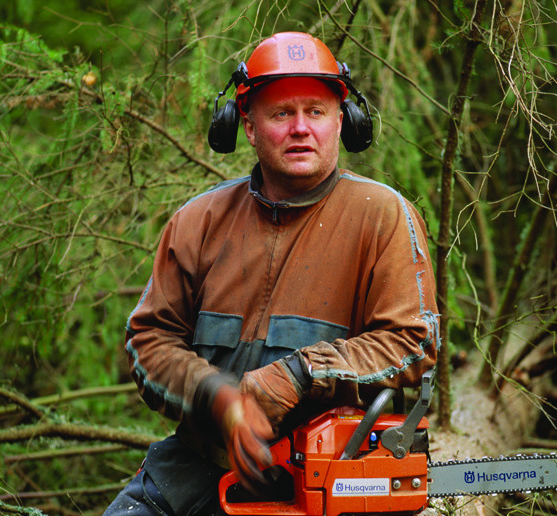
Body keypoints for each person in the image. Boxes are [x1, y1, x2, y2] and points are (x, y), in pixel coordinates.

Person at [102, 32, 440, 516]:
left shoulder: (381, 215)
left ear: (342, 120)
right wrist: (217, 398)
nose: (301, 128)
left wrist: (302, 373)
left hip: (331, 480)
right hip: (199, 469)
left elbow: (412, 341)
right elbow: (150, 342)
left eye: (316, 112)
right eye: (282, 113)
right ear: (248, 125)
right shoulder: (200, 221)